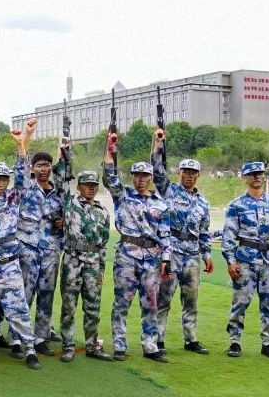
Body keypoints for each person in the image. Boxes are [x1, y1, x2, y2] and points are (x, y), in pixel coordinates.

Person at [102, 130, 171, 363]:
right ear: (131, 177)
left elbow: (165, 233)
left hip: (152, 256)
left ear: (151, 178)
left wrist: (166, 259)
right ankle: (119, 344)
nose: (140, 179)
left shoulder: (161, 204)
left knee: (151, 303)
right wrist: (110, 148)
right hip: (127, 255)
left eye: (145, 176)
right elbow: (109, 176)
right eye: (136, 175)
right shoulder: (123, 196)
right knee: (122, 301)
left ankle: (150, 345)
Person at [0, 128, 42, 370]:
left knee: (17, 307)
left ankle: (29, 348)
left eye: (4, 179)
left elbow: (24, 176)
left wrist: (21, 145)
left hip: (9, 263)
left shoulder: (14, 197)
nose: (1, 183)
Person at [151, 137, 213, 356]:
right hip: (171, 253)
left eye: (193, 173)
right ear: (179, 173)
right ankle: (158, 339)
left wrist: (207, 255)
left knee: (191, 300)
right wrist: (158, 144)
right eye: (185, 172)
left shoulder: (203, 203)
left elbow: (204, 231)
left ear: (198, 175)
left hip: (192, 256)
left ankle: (191, 338)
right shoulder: (169, 190)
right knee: (164, 298)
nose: (189, 176)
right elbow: (157, 171)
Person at [222, 161, 269, 360]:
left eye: (260, 173)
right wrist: (231, 262)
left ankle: (267, 343)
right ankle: (234, 341)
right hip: (245, 261)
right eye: (252, 174)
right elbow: (228, 236)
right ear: (245, 178)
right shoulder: (236, 205)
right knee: (240, 302)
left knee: (268, 303)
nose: (257, 176)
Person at [13, 119, 64, 357]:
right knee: (25, 294)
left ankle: (42, 337)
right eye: (40, 165)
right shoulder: (26, 188)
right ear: (33, 168)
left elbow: (66, 216)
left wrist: (63, 222)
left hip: (51, 249)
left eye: (47, 165)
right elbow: (20, 168)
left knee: (46, 294)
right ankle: (18, 338)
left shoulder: (58, 193)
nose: (44, 169)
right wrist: (26, 137)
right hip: (28, 248)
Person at [55, 159, 112, 362]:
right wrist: (64, 155)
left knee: (93, 307)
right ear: (78, 186)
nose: (91, 188)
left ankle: (92, 345)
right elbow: (60, 180)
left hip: (93, 264)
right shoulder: (70, 204)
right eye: (87, 185)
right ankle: (68, 346)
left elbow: (104, 242)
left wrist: (102, 268)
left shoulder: (103, 212)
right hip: (73, 260)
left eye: (94, 185)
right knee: (69, 306)